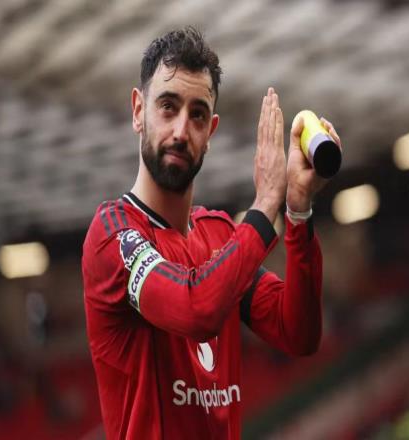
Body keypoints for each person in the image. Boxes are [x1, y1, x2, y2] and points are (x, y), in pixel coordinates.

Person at [82, 26, 341, 439]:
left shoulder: (219, 235)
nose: (181, 131)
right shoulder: (113, 233)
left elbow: (299, 333)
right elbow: (195, 310)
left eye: (198, 114)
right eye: (168, 107)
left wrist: (297, 208)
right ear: (138, 111)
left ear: (211, 132)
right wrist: (265, 204)